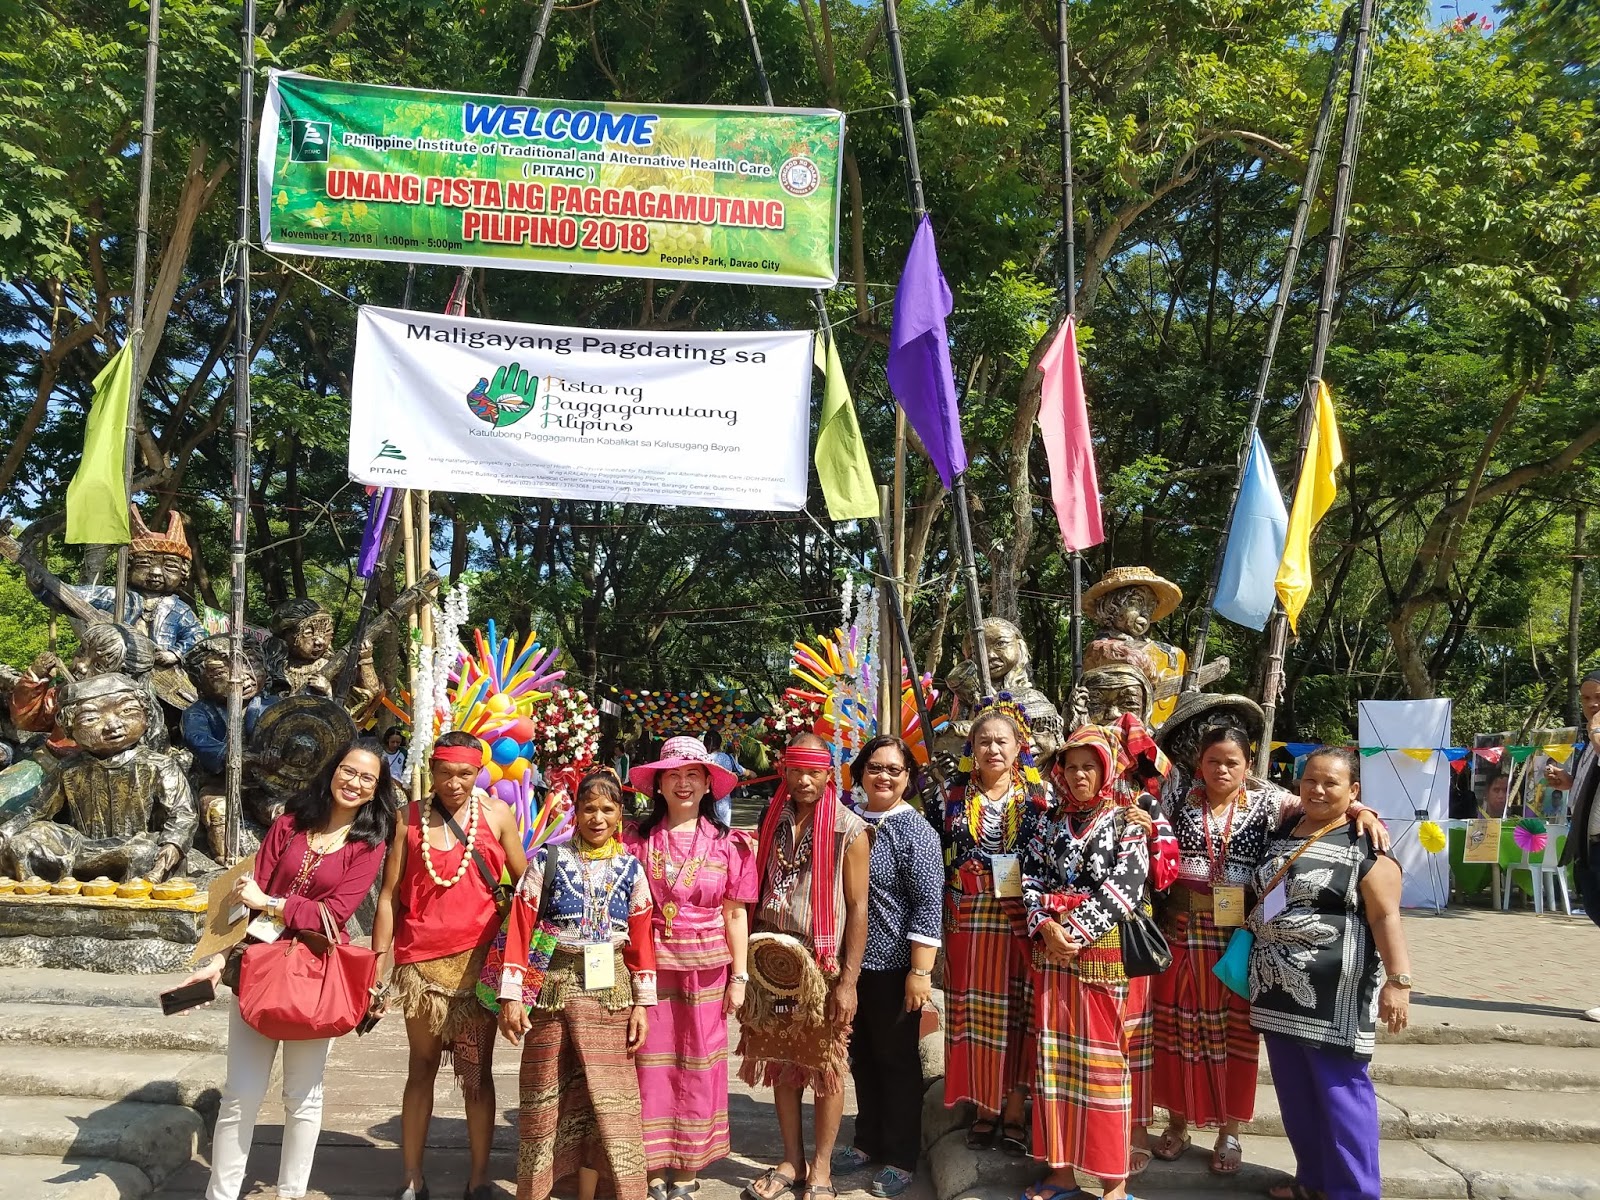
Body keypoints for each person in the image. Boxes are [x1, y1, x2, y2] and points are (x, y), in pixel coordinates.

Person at [1151, 726, 1387, 1176]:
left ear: (1248, 765)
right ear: (1200, 763)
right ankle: (1176, 1124)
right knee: (1175, 1031)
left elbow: (1322, 798)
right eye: (1213, 760)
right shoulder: (1177, 799)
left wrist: (1363, 810)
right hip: (1179, 930)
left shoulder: (1270, 802)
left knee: (1234, 1035)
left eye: (1232, 762)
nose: (1222, 769)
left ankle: (1230, 1132)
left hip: (1240, 937)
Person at [180, 738, 396, 1200]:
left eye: (367, 778)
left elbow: (334, 914)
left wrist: (272, 903)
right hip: (257, 965)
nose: (354, 782)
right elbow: (245, 898)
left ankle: (291, 1193)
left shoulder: (368, 844)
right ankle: (220, 1195)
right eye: (348, 770)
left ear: (377, 789)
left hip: (315, 975)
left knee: (302, 1096)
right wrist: (217, 962)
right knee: (240, 1095)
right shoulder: (290, 824)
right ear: (332, 770)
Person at [370, 730, 529, 1200]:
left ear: (478, 772)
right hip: (420, 967)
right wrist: (377, 967)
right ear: (432, 770)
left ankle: (478, 1178)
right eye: (444, 773)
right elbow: (388, 897)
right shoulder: (406, 819)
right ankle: (411, 1177)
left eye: (464, 774)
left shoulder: (497, 815)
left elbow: (526, 888)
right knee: (420, 1068)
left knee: (477, 1075)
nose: (454, 783)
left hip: (480, 969)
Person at [1250, 747, 1414, 1200]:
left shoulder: (1366, 842)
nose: (1318, 790)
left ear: (1353, 790)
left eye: (1331, 783)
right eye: (1310, 781)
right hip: (1277, 987)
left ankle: (1355, 1192)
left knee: (1342, 1096)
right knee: (1296, 1095)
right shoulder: (1285, 826)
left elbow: (1386, 916)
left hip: (1335, 996)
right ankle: (1315, 1182)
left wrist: (1398, 982)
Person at [498, 770, 658, 1200]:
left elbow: (642, 938)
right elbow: (520, 927)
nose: (597, 818)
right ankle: (535, 1192)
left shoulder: (631, 869)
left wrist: (643, 1006)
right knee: (543, 1097)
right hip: (552, 989)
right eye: (589, 808)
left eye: (607, 809)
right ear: (576, 813)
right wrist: (512, 997)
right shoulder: (547, 862)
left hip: (612, 995)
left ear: (620, 814)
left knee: (605, 1101)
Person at [1021, 723, 1156, 1200]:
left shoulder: (1127, 822)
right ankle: (1061, 1174)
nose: (1079, 775)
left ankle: (1113, 1183)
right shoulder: (1047, 824)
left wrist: (1074, 933)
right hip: (1052, 955)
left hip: (1101, 954)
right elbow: (1030, 879)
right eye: (1072, 767)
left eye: (1089, 767)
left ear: (1106, 771)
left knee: (1103, 1066)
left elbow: (1126, 886)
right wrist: (1044, 926)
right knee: (1053, 1062)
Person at [624, 737, 756, 1197]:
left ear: (707, 784)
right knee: (648, 1062)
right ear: (659, 785)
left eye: (692, 775)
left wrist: (740, 978)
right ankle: (650, 1164)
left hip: (708, 969)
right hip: (648, 965)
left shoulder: (730, 844)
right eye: (673, 776)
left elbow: (735, 914)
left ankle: (688, 1167)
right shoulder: (634, 841)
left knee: (700, 1063)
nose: (683, 783)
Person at [740, 733, 870, 1200]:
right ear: (784, 770)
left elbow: (858, 908)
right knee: (781, 1061)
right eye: (795, 770)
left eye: (813, 771)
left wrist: (848, 982)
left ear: (828, 774)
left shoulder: (849, 830)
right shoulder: (772, 817)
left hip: (822, 965)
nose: (804, 780)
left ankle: (821, 1169)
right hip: (771, 964)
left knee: (825, 1065)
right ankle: (792, 1160)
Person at [932, 699, 1047, 1156]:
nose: (993, 749)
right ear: (972, 748)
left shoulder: (1041, 798)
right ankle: (984, 1107)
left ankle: (1015, 1110)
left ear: (1019, 747)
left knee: (1020, 1013)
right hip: (970, 920)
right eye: (984, 741)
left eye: (1002, 741)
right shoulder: (951, 797)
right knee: (975, 1013)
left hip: (1021, 918)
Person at [833, 736, 943, 1198]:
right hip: (848, 965)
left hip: (894, 966)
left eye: (894, 770)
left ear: (907, 777)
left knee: (896, 1060)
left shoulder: (915, 831)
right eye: (875, 767)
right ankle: (868, 1138)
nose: (883, 776)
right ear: (859, 772)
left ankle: (900, 1154)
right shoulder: (846, 821)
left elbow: (928, 904)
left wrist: (920, 972)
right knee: (861, 1055)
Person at [1555, 668, 1600, 1020]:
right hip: (1588, 842)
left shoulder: (1596, 735)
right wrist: (1569, 782)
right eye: (1585, 698)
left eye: (1598, 697)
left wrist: (1596, 732)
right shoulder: (1590, 742)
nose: (1591, 704)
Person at [704, 730, 748, 826]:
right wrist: (752, 773)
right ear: (719, 744)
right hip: (722, 800)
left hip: (704, 799)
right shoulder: (727, 758)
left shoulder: (700, 758)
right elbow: (742, 771)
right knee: (723, 828)